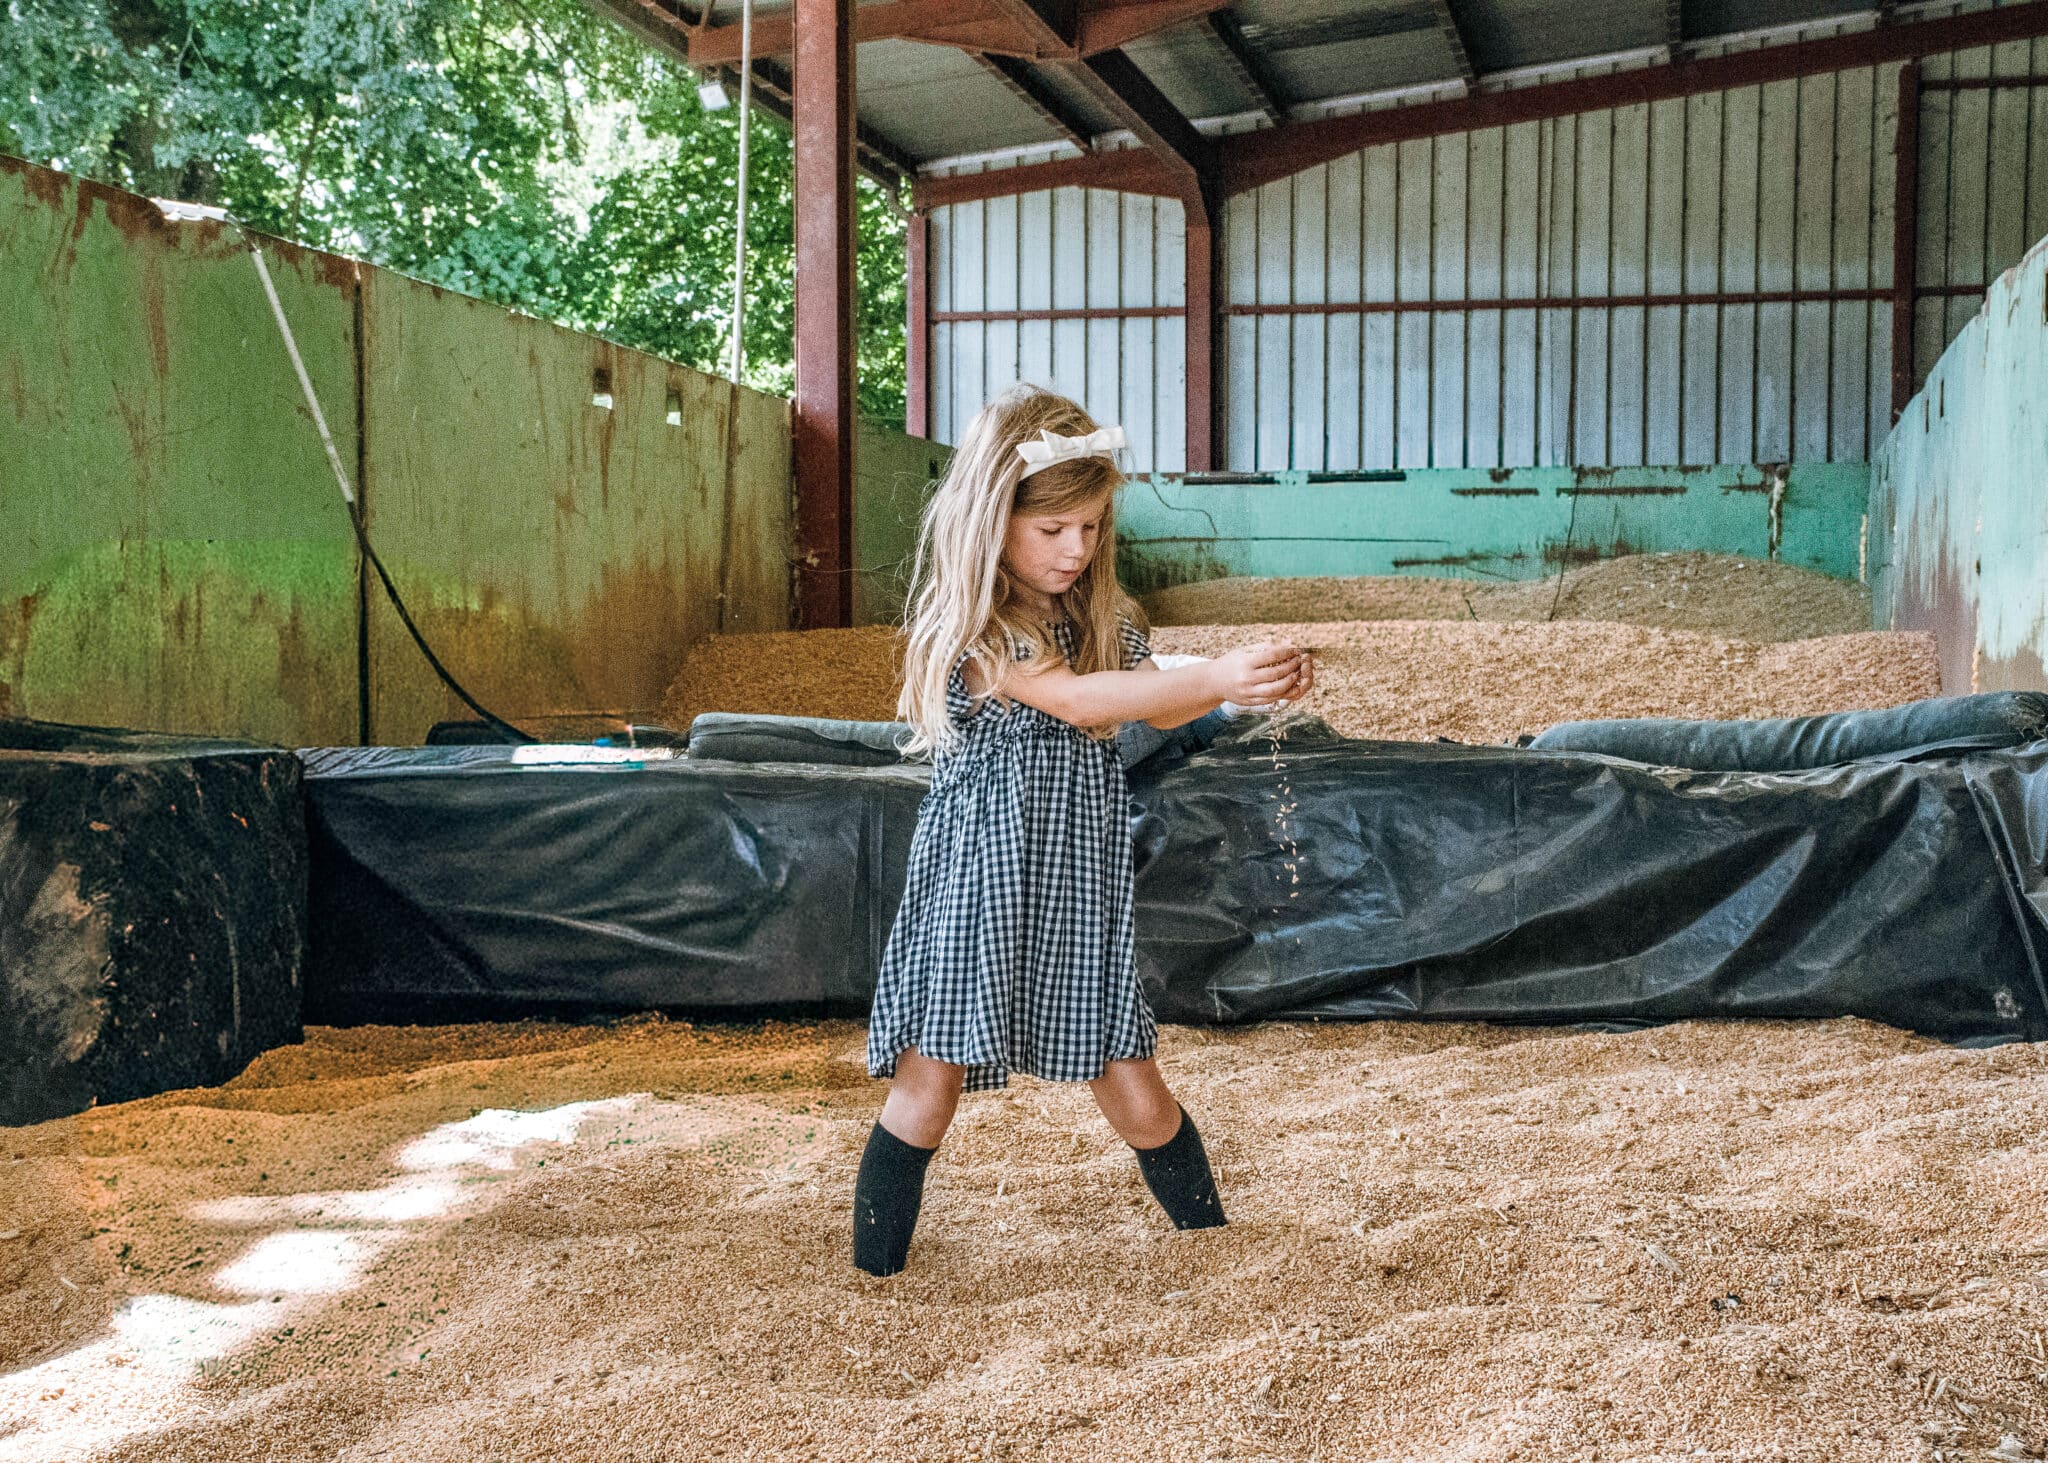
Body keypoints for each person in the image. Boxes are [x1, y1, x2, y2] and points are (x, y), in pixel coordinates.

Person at [853, 384, 1313, 1277]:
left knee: (1130, 1072)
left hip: (1077, 875)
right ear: (993, 520)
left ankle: (1214, 1248)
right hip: (982, 878)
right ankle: (875, 1278)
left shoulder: (1100, 617)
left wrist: (1236, 685)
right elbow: (1076, 700)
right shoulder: (986, 627)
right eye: (1052, 528)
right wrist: (1215, 676)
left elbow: (1151, 702)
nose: (1077, 548)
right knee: (931, 1076)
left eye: (1093, 526)